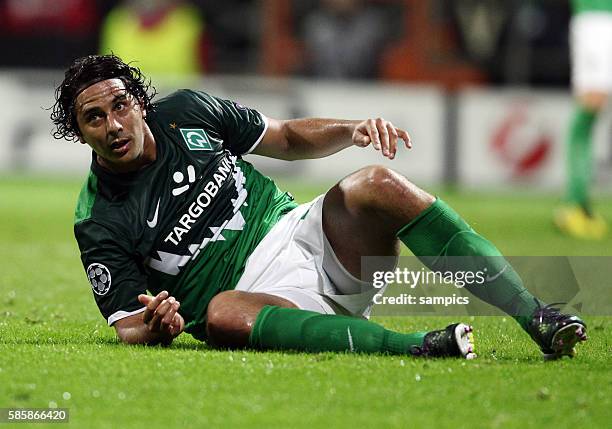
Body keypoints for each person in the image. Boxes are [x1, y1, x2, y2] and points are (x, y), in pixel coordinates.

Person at [51, 54, 587, 360]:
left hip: (307, 236)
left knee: (375, 181)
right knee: (220, 316)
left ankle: (536, 314)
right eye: (94, 118)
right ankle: (420, 346)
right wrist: (157, 325)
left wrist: (350, 130)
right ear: (80, 133)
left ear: (139, 102)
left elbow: (285, 137)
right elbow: (126, 324)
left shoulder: (189, 111)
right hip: (253, 300)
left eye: (120, 105)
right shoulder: (97, 220)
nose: (113, 125)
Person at [554, 0, 612, 240]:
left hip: (597, 22)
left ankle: (576, 204)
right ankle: (576, 205)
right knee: (590, 107)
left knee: (589, 110)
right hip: (598, 21)